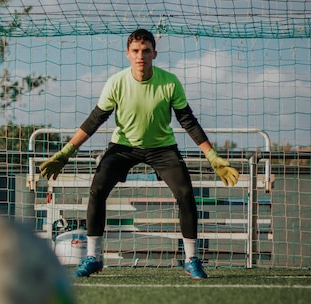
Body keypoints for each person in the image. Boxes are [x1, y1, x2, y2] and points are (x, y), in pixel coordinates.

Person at [40, 29, 239, 279]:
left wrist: (212, 156)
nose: (140, 56)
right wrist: (67, 151)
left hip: (162, 148)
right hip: (123, 147)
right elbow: (95, 120)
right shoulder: (116, 82)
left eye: (146, 51)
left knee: (186, 193)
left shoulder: (169, 82)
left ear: (154, 53)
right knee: (97, 189)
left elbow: (188, 120)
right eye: (135, 51)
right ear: (128, 54)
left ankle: (191, 259)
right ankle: (93, 257)